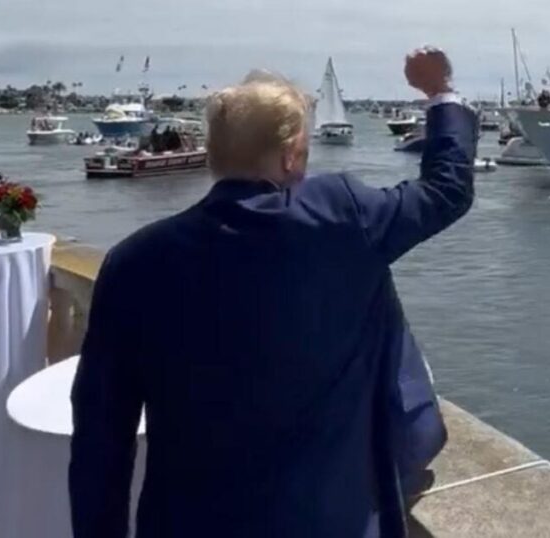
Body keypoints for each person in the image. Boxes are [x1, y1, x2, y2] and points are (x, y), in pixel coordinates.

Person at [69, 47, 476, 538]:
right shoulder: (343, 218)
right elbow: (445, 190)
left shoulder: (134, 262)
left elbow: (101, 438)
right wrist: (440, 92)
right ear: (289, 155)